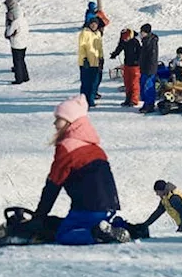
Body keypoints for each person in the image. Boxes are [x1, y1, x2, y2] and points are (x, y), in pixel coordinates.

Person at [31, 95, 129, 245]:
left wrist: (39, 216)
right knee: (66, 223)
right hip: (109, 206)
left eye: (59, 118)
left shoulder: (67, 146)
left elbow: (54, 183)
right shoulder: (95, 148)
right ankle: (115, 227)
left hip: (89, 207)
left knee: (64, 234)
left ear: (71, 122)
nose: (55, 123)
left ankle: (97, 234)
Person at [109, 29, 142, 107]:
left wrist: (138, 61)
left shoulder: (136, 42)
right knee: (127, 83)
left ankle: (134, 100)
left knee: (134, 83)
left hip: (135, 66)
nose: (125, 39)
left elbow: (141, 53)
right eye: (124, 38)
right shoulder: (123, 41)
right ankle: (128, 99)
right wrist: (114, 54)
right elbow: (119, 47)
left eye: (126, 38)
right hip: (127, 65)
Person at [77, 19, 104, 108]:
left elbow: (100, 48)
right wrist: (84, 59)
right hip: (86, 63)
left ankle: (91, 100)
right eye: (92, 24)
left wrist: (101, 58)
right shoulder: (85, 33)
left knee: (94, 82)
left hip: (96, 62)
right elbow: (82, 47)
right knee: (86, 83)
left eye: (95, 24)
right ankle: (84, 101)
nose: (94, 26)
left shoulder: (98, 34)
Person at [6, 0, 29, 84]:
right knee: (22, 59)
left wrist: (8, 24)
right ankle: (25, 76)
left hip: (16, 43)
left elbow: (9, 32)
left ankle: (19, 78)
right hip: (24, 41)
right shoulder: (23, 19)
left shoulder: (15, 22)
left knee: (17, 61)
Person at [137, 24, 159, 113]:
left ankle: (150, 105)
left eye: (142, 32)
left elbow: (152, 57)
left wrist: (150, 69)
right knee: (143, 86)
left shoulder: (151, 42)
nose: (141, 34)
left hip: (149, 69)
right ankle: (146, 103)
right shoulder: (146, 40)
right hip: (144, 68)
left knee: (148, 87)